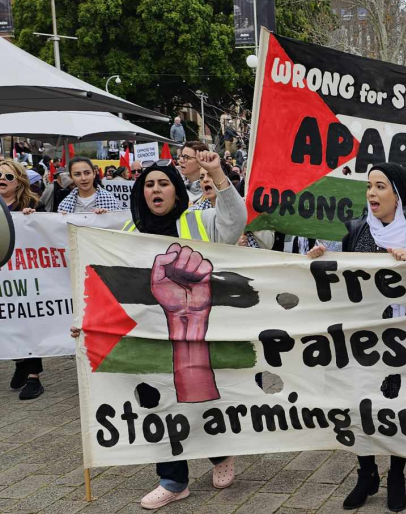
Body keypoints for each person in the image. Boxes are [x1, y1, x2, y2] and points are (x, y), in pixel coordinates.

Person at [72, 152, 247, 509]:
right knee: (158, 407)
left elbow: (235, 220)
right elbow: (108, 284)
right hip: (148, 337)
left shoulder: (200, 221)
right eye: (149, 184)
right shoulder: (125, 234)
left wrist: (217, 173)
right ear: (141, 193)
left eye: (163, 183)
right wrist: (87, 322)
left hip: (199, 334)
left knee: (202, 402)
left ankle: (219, 454)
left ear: (176, 191)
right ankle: (173, 480)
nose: (156, 189)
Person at [307, 162, 406, 513]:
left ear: (397, 195)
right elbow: (336, 274)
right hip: (360, 337)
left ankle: (396, 475)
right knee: (357, 402)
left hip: (399, 338)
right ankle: (366, 473)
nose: (372, 194)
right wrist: (319, 258)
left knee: (395, 405)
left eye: (380, 187)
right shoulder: (354, 230)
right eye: (369, 187)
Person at [1, 160, 45, 399]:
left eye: (8, 177)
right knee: (9, 320)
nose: (2, 180)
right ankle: (19, 361)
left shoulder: (32, 203)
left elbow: (48, 233)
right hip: (3, 275)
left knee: (28, 320)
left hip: (27, 274)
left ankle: (33, 376)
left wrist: (33, 218)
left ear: (19, 181)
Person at [57, 158, 123, 214]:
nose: (83, 178)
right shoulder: (64, 205)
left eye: (87, 173)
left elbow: (120, 224)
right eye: (77, 174)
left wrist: (108, 217)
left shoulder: (109, 200)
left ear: (94, 174)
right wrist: (62, 221)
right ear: (71, 177)